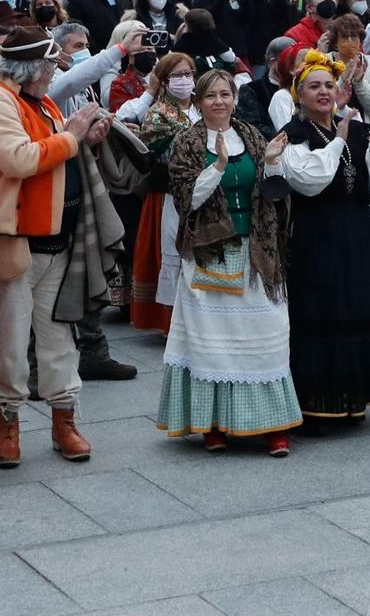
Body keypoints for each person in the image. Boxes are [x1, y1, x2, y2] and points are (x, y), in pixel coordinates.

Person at [0, 29, 102, 468]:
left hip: (58, 239)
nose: (54, 74)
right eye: (50, 66)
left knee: (59, 335)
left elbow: (55, 151)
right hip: (15, 240)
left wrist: (85, 136)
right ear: (31, 68)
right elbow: (19, 159)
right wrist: (73, 136)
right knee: (10, 340)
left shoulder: (42, 101)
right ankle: (7, 424)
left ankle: (65, 421)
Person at [157, 69, 300, 456]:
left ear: (235, 99)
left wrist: (271, 162)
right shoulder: (187, 143)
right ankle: (214, 425)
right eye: (210, 96)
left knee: (267, 339)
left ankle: (273, 425)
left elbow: (272, 192)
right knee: (212, 347)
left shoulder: (253, 136)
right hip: (208, 252)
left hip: (256, 251)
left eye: (225, 94)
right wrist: (217, 166)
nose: (219, 101)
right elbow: (188, 199)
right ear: (199, 102)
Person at [277, 50, 370, 426]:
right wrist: (339, 140)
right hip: (318, 233)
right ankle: (320, 400)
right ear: (299, 94)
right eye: (313, 86)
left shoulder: (357, 129)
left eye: (329, 85)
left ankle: (356, 395)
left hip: (358, 233)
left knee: (359, 305)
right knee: (324, 308)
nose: (323, 92)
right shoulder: (292, 135)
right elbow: (309, 182)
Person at [128, 53, 197, 333]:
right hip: (168, 193)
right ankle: (170, 321)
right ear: (165, 81)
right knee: (171, 254)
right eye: (177, 76)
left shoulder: (202, 106)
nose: (184, 81)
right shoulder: (158, 113)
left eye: (188, 74)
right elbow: (155, 154)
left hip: (202, 190)